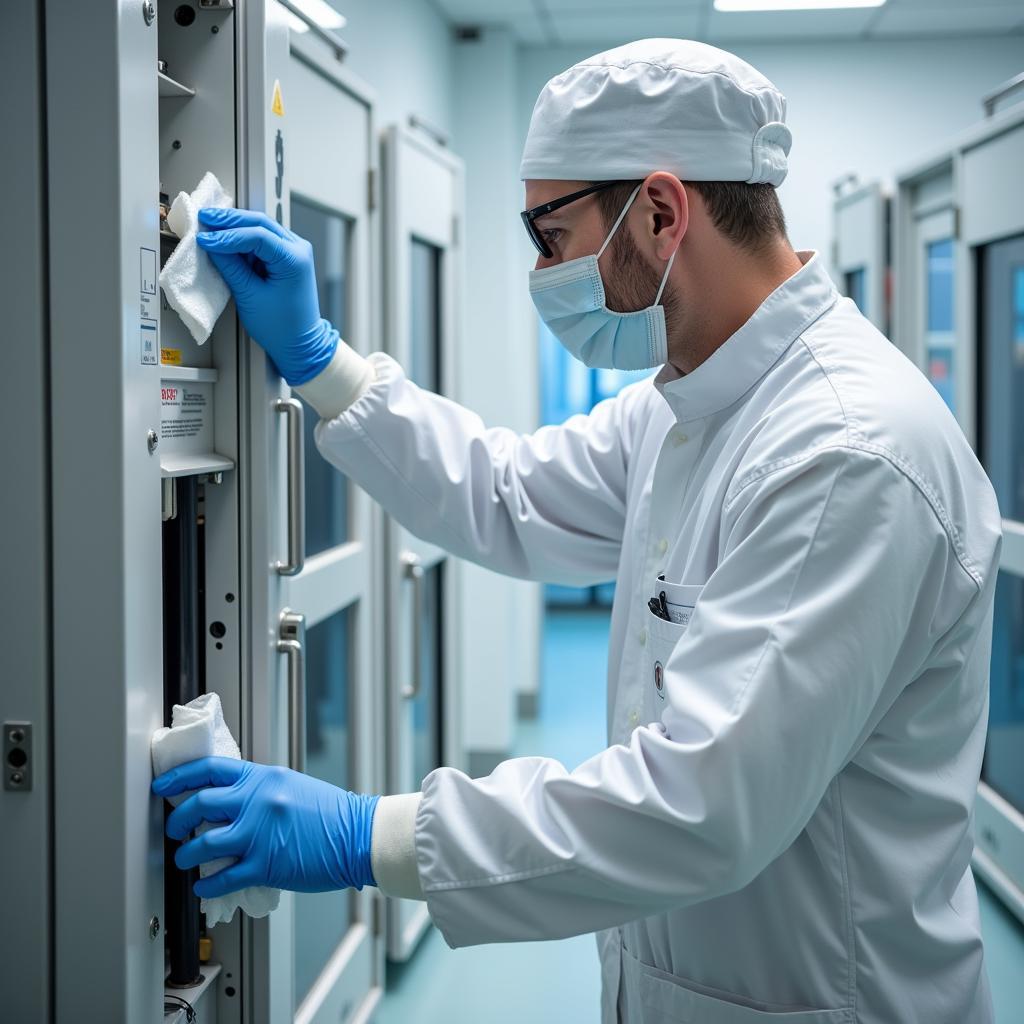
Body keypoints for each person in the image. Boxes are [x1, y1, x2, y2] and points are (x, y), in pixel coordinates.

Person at [152, 39, 1002, 1023]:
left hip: (834, 997)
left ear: (659, 211)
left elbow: (697, 808)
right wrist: (321, 360)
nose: (540, 268)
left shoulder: (845, 453)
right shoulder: (691, 401)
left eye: (547, 231)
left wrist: (365, 835)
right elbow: (509, 492)